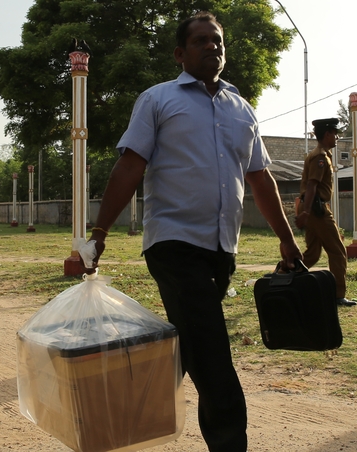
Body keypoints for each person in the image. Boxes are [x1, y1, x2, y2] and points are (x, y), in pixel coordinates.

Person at [80, 13, 302, 452]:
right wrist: (99, 230)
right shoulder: (158, 100)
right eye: (200, 41)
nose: (211, 47)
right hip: (174, 245)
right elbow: (130, 165)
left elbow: (260, 179)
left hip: (221, 249)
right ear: (180, 54)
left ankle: (111, 412)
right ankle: (228, 442)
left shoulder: (242, 108)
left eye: (216, 41)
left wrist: (288, 239)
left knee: (189, 345)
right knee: (215, 359)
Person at [295, 118, 355, 306]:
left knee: (312, 254)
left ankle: (283, 278)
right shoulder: (320, 157)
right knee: (338, 251)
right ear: (327, 134)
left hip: (311, 208)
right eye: (335, 133)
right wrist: (306, 212)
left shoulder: (318, 154)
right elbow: (312, 185)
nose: (337, 137)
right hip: (316, 209)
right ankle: (338, 295)